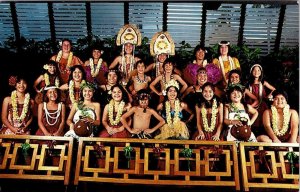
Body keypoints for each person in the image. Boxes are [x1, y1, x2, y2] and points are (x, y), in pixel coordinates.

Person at [247, 64, 276, 136]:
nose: (256, 72)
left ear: (261, 72)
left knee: (262, 121)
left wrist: (269, 95)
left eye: (258, 70)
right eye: (254, 70)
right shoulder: (248, 84)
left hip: (262, 105)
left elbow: (274, 89)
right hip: (252, 104)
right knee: (252, 121)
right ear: (251, 72)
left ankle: (261, 136)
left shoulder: (263, 82)